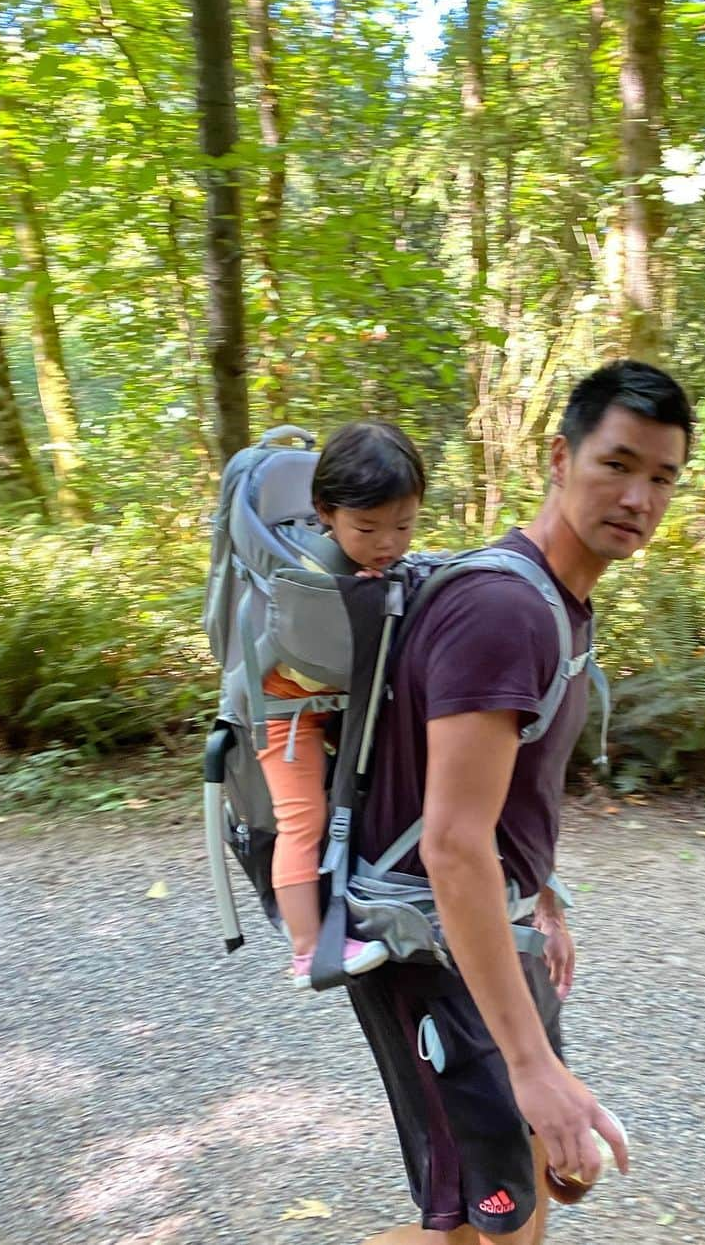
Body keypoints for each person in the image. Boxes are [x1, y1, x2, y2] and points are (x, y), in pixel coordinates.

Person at [350, 359, 693, 1244]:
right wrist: (530, 1060)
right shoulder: (505, 611)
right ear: (559, 457)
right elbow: (452, 844)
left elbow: (506, 793)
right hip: (431, 944)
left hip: (491, 930)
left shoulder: (558, 600)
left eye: (662, 476)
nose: (640, 497)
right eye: (617, 464)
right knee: (480, 1227)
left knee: (536, 1192)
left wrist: (542, 893)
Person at [259, 419, 426, 990]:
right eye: (368, 527)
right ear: (325, 512)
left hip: (344, 710)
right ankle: (307, 950)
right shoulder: (310, 572)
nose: (387, 542)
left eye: (403, 524)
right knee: (302, 821)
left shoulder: (381, 566)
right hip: (288, 716)